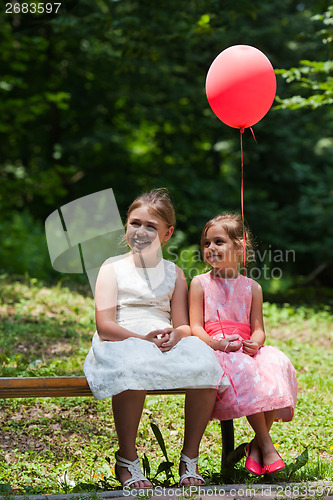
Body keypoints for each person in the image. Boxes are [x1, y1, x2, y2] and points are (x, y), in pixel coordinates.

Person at [84, 189, 228, 489]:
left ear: (167, 233)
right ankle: (127, 459)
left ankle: (190, 458)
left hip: (163, 339)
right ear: (126, 225)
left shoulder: (174, 273)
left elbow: (185, 326)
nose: (141, 231)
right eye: (135, 223)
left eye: (151, 226)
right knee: (132, 364)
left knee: (205, 362)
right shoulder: (111, 268)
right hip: (122, 338)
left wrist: (176, 335)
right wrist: (141, 338)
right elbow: (105, 326)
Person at [189, 213, 297, 476]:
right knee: (244, 370)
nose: (210, 248)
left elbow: (259, 330)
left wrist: (254, 344)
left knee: (274, 363)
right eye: (206, 243)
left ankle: (257, 447)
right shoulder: (200, 283)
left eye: (218, 242)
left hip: (245, 350)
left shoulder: (253, 288)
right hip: (218, 349)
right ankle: (266, 446)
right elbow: (195, 328)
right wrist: (218, 343)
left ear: (239, 247)